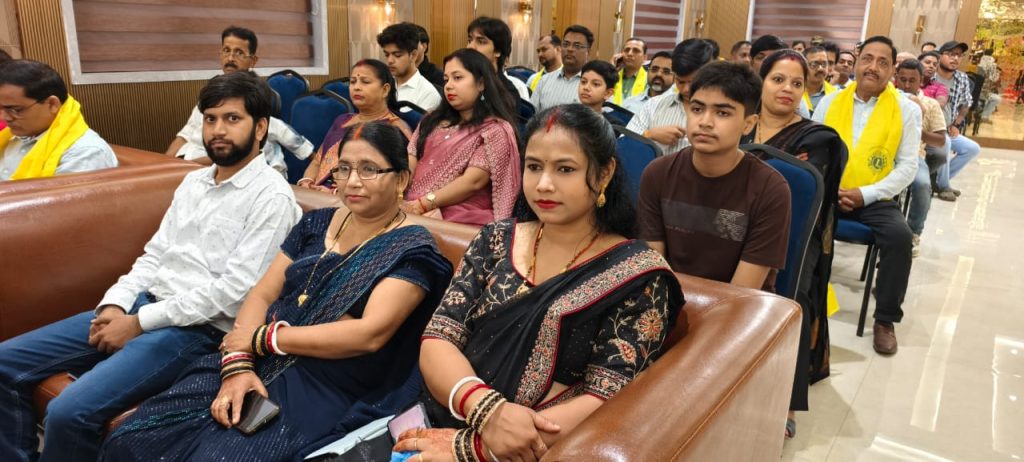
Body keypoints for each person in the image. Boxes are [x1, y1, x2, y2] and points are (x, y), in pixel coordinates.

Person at [99, 122, 454, 462]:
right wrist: (238, 365)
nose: (353, 181)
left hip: (325, 382)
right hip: (256, 357)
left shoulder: (412, 250)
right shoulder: (315, 223)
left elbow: (369, 334)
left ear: (401, 179)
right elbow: (263, 294)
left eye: (369, 169)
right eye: (344, 168)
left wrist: (261, 339)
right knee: (131, 439)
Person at [0, 71, 301, 462]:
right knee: (5, 362)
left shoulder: (272, 197)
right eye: (210, 119)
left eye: (232, 119)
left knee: (68, 412)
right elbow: (154, 254)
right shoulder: (193, 182)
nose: (217, 130)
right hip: (144, 303)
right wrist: (115, 303)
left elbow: (234, 293)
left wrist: (139, 323)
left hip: (196, 330)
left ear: (260, 128)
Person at [393, 104, 684, 461]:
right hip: (438, 419)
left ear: (605, 172)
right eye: (533, 167)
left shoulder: (637, 275)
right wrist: (485, 410)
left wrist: (473, 449)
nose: (544, 184)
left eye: (565, 169)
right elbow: (440, 337)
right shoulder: (496, 239)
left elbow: (607, 399)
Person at [739, 49, 847, 439]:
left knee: (793, 292)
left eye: (796, 83)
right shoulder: (741, 123)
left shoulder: (817, 138)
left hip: (793, 233)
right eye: (778, 79)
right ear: (761, 82)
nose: (787, 88)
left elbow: (799, 191)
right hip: (734, 223)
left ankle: (786, 400)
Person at [639, 59, 791, 292]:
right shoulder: (657, 173)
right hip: (667, 300)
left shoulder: (770, 189)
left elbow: (741, 292)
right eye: (697, 109)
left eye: (722, 112)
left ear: (748, 124)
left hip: (740, 306)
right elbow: (654, 274)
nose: (705, 122)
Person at [812, 36, 922, 355]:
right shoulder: (830, 102)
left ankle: (885, 319)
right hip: (829, 192)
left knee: (900, 238)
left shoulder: (906, 110)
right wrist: (830, 188)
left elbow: (907, 167)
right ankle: (800, 297)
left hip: (875, 198)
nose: (873, 67)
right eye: (868, 59)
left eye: (883, 62)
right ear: (857, 62)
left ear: (892, 70)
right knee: (794, 220)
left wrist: (865, 194)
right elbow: (813, 150)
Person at [164, 26, 313, 177]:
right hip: (187, 167)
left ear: (252, 60)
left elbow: (283, 133)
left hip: (220, 170)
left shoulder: (256, 95)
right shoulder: (212, 92)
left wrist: (185, 167)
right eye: (226, 50)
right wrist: (162, 165)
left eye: (239, 52)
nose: (230, 58)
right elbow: (184, 136)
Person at [403, 49, 520, 226]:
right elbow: (411, 155)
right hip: (413, 206)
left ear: (481, 83)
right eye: (446, 79)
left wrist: (423, 204)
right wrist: (399, 192)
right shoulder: (431, 120)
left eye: (457, 78)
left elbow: (473, 182)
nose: (449, 85)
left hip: (460, 215)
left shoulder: (495, 130)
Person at [299, 60, 413, 191]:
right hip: (316, 193)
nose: (356, 87)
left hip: (354, 197)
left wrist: (335, 193)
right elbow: (317, 162)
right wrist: (306, 182)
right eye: (353, 82)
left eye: (365, 82)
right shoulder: (342, 120)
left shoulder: (394, 128)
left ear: (385, 89)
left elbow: (397, 181)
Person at [0, 59, 116, 181]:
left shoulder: (84, 152)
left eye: (15, 109)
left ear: (52, 104)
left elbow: (65, 194)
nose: (4, 117)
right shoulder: (14, 138)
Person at [894, 58, 948, 258]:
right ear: (896, 78)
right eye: (903, 80)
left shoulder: (930, 104)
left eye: (912, 80)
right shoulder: (887, 97)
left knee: (923, 185)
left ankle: (913, 233)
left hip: (913, 154)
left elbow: (941, 140)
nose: (907, 85)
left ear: (921, 81)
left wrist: (916, 128)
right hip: (884, 151)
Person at [626, 38, 715, 155]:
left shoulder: (723, 110)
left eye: (693, 82)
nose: (686, 89)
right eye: (680, 82)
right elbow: (624, 144)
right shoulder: (653, 105)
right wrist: (650, 134)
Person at [932, 40, 980, 201]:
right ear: (940, 55)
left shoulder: (962, 78)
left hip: (947, 127)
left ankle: (938, 182)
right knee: (945, 143)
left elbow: (966, 104)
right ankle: (944, 186)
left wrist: (956, 124)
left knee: (972, 148)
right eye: (951, 54)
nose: (955, 58)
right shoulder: (930, 74)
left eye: (959, 55)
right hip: (929, 128)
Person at [378, 23, 443, 112]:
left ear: (413, 55)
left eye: (397, 55)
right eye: (387, 55)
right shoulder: (382, 84)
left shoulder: (428, 93)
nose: (390, 61)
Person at [531, 24, 594, 111]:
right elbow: (532, 115)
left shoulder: (596, 85)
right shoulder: (544, 81)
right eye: (566, 44)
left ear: (588, 51)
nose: (570, 49)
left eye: (577, 46)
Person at [466, 17, 530, 101]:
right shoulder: (463, 82)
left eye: (481, 42)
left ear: (497, 51)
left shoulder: (510, 91)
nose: (470, 46)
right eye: (470, 40)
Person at [750, 34, 811, 118]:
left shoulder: (796, 101)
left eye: (773, 58)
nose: (766, 62)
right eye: (760, 58)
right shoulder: (741, 94)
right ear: (751, 62)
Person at [579, 60, 625, 125]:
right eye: (583, 82)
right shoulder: (567, 116)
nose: (586, 88)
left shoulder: (613, 125)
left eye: (595, 84)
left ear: (608, 93)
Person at [610, 37, 649, 105]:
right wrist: (610, 69)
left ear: (644, 58)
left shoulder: (649, 80)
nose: (629, 53)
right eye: (626, 50)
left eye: (636, 51)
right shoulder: (612, 76)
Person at [408, 22, 445, 87]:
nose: (406, 48)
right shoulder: (397, 72)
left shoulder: (437, 75)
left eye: (411, 43)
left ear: (424, 46)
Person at [802, 46, 837, 114]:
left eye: (824, 64)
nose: (820, 68)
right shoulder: (795, 92)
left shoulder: (835, 94)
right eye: (814, 64)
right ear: (803, 66)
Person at [977, 49, 1001, 122]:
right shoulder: (992, 65)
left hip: (976, 92)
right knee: (997, 99)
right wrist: (998, 73)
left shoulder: (979, 63)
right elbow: (994, 79)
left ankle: (979, 112)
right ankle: (984, 116)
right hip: (984, 93)